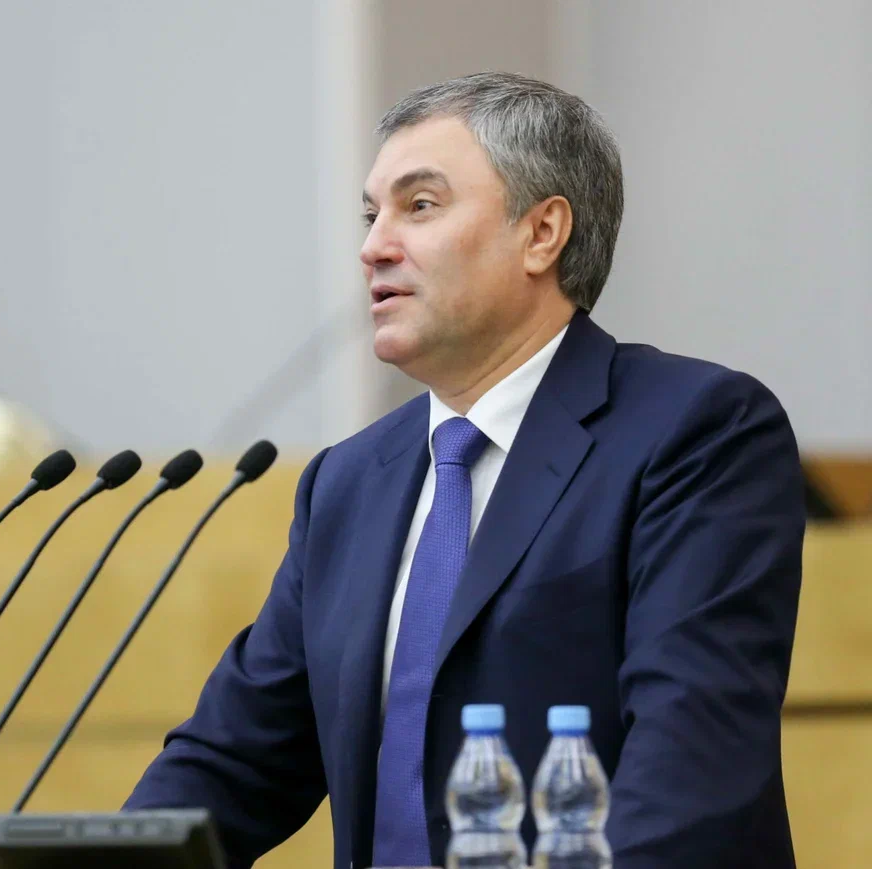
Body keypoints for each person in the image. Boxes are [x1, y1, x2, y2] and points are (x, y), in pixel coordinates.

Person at [125, 71, 803, 869]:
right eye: (371, 215)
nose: (374, 246)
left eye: (419, 206)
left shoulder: (695, 431)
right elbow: (235, 760)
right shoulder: (349, 482)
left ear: (542, 233)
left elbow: (690, 763)